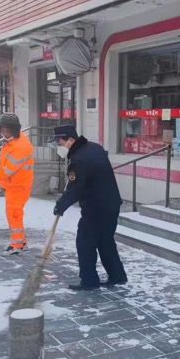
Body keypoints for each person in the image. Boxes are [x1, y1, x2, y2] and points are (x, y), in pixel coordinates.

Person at [52, 124, 127, 290]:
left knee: (85, 243)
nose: (58, 147)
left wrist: (60, 205)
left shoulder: (79, 159)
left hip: (96, 209)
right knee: (105, 241)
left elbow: (75, 188)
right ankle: (117, 275)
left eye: (59, 143)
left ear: (70, 140)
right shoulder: (94, 148)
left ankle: (89, 281)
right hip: (111, 204)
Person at [0, 113, 34, 255]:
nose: (2, 133)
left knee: (14, 215)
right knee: (14, 214)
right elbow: (7, 161)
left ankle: (17, 246)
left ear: (12, 129)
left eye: (4, 130)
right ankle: (21, 242)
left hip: (18, 187)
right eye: (1, 129)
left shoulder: (20, 146)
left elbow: (7, 170)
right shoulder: (14, 140)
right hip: (13, 186)